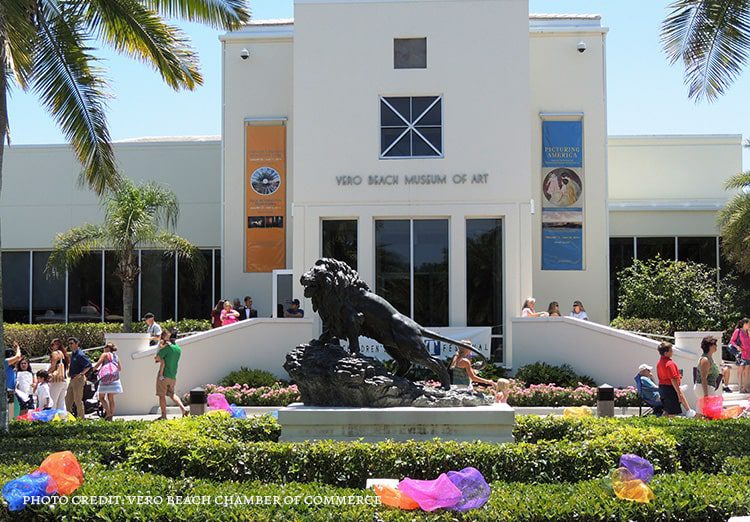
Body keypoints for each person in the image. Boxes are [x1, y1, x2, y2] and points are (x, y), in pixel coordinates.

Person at [155, 329, 188, 419]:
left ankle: (164, 415)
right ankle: (183, 409)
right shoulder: (178, 349)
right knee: (172, 394)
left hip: (164, 375)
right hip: (173, 376)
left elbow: (157, 358)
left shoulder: (167, 348)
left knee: (161, 396)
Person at [656, 342, 692, 417]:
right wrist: (679, 393)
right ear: (666, 353)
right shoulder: (669, 364)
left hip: (662, 388)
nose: (672, 352)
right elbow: (673, 379)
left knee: (667, 410)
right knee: (672, 413)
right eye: (671, 350)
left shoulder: (659, 363)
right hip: (670, 389)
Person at [93, 342, 123, 421]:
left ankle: (108, 413)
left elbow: (97, 365)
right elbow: (119, 368)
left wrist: (91, 370)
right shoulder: (116, 356)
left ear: (107, 348)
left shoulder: (105, 354)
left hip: (105, 379)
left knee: (101, 397)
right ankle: (111, 416)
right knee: (111, 398)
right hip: (114, 379)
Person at [65, 337, 92, 419]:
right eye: (69, 343)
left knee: (77, 400)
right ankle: (68, 417)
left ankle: (81, 418)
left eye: (71, 343)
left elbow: (89, 365)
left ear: (77, 344)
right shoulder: (73, 354)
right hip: (72, 379)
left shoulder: (80, 354)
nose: (70, 345)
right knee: (68, 400)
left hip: (78, 380)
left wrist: (81, 374)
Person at [694, 336, 722, 416]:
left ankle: (697, 426)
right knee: (710, 412)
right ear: (710, 346)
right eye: (715, 344)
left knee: (702, 412)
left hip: (707, 387)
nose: (716, 346)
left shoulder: (709, 358)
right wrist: (706, 395)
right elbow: (703, 377)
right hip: (705, 388)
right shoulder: (705, 360)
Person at [46, 338, 69, 410]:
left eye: (52, 345)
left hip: (55, 381)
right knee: (61, 403)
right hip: (63, 380)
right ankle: (63, 420)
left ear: (57, 345)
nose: (51, 347)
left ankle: (51, 419)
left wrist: (45, 374)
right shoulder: (63, 354)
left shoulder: (55, 353)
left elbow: (53, 367)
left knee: (52, 402)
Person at [730, 318, 750, 393]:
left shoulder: (748, 332)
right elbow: (732, 341)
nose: (749, 325)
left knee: (747, 371)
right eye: (748, 324)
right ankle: (740, 387)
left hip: (748, 354)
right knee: (740, 370)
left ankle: (745, 387)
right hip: (741, 353)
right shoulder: (738, 331)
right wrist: (737, 347)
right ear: (744, 324)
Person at [4, 342, 22, 416]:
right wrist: (18, 347)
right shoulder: (4, 362)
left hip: (11, 392)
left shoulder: (12, 367)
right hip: (5, 392)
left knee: (11, 414)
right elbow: (18, 357)